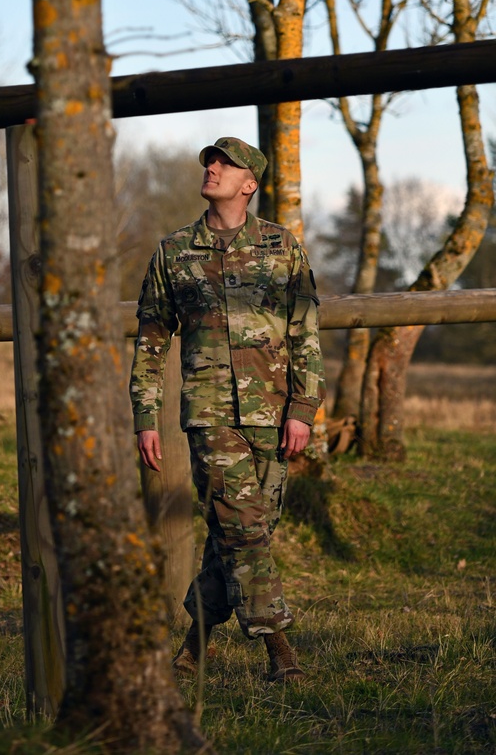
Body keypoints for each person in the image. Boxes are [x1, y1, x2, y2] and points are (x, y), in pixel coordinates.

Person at [129, 136, 325, 683]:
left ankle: (193, 644)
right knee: (241, 526)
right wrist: (146, 416)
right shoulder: (173, 252)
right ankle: (279, 648)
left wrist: (303, 408)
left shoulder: (282, 247)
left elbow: (305, 330)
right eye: (209, 161)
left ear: (249, 183)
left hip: (274, 410)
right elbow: (150, 341)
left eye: (224, 163)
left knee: (242, 530)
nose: (211, 167)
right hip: (210, 413)